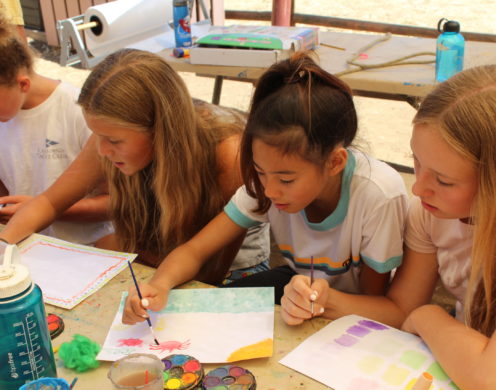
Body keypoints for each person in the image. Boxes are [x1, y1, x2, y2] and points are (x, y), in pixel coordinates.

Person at [283, 64, 496, 389]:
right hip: (463, 361)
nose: (418, 189)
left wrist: (428, 316)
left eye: (443, 180)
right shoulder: (431, 213)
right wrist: (319, 299)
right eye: (416, 161)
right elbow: (400, 308)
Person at [122, 52, 408, 324]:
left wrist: (323, 300)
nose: (270, 191)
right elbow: (195, 250)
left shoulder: (377, 194)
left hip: (350, 306)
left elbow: (377, 303)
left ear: (334, 162)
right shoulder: (267, 185)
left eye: (286, 180)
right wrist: (159, 284)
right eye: (260, 172)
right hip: (298, 289)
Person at [0, 48, 270, 284]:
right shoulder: (111, 134)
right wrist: (3, 250)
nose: (103, 151)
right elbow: (48, 203)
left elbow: (210, 270)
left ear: (159, 130)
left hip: (229, 269)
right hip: (161, 256)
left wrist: (153, 285)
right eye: (98, 136)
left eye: (114, 140)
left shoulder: (227, 154)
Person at [0, 11, 112, 244]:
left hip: (88, 248)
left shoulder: (78, 111)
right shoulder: (6, 113)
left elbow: (116, 202)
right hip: (25, 248)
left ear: (23, 84)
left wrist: (38, 209)